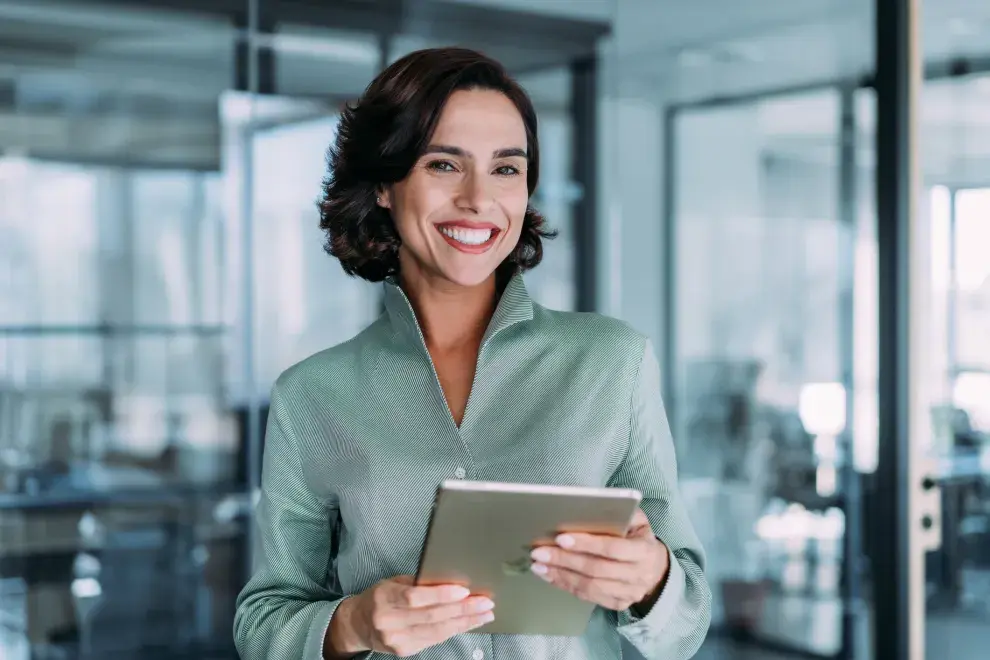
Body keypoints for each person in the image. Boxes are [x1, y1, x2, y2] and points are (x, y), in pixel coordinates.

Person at [233, 46, 710, 660]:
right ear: (384, 184)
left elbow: (687, 621)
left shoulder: (612, 363)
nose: (479, 198)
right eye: (444, 165)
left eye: (507, 169)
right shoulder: (311, 395)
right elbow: (263, 619)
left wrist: (651, 583)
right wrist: (353, 624)